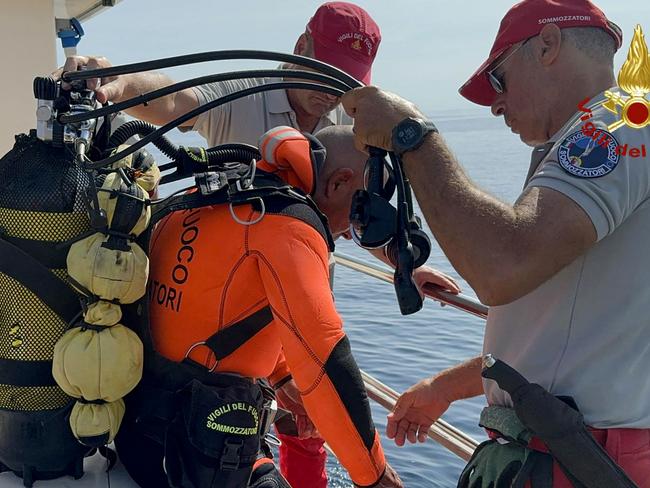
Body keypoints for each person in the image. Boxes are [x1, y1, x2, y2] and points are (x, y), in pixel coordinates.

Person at [60, 3, 459, 486]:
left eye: (345, 81)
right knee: (318, 396)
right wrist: (115, 82)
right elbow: (173, 100)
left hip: (172, 402)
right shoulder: (245, 104)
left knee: (306, 417)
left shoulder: (340, 124)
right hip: (215, 398)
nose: (330, 89)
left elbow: (348, 211)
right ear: (301, 50)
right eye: (325, 71)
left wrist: (401, 264)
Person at [340, 0, 650, 486]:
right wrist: (445, 386)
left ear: (548, 44)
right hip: (568, 450)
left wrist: (411, 136)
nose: (495, 105)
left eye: (499, 81)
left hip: (574, 459)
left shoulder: (617, 126)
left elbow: (503, 265)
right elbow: (560, 340)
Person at [115, 125, 403, 488]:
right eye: (360, 213)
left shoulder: (215, 194)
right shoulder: (290, 224)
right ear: (339, 183)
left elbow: (213, 308)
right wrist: (372, 474)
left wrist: (282, 376)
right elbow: (325, 358)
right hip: (192, 457)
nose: (351, 232)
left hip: (140, 433)